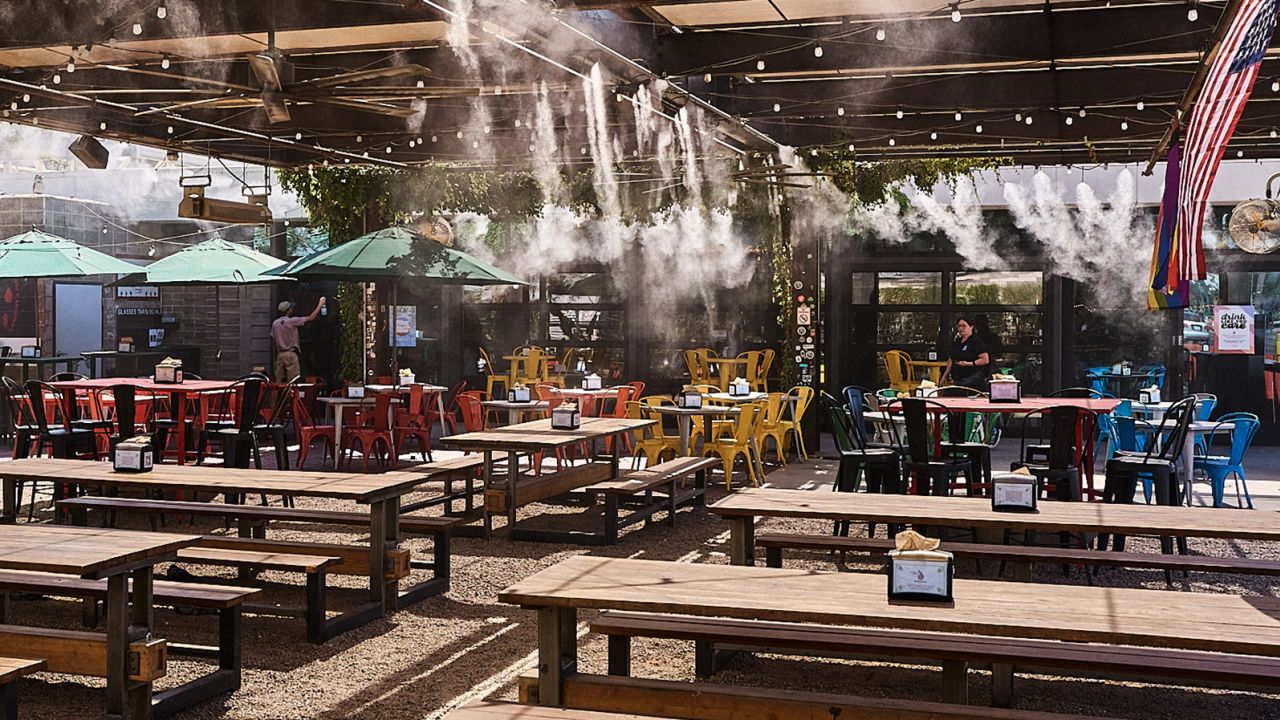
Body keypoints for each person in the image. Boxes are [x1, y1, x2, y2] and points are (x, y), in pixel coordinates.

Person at [271, 297, 325, 383]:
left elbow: (273, 342)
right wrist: (320, 304)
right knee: (292, 382)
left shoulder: (275, 323)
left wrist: (275, 358)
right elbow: (311, 317)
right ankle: (291, 396)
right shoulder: (293, 321)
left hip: (280, 355)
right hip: (291, 355)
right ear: (288, 310)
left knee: (279, 382)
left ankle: (278, 396)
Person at [942, 315, 991, 389]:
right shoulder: (957, 342)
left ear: (971, 327)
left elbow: (985, 360)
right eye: (959, 326)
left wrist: (969, 364)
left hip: (973, 381)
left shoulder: (976, 342)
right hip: (958, 380)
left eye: (964, 326)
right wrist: (944, 376)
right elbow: (951, 359)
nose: (961, 328)